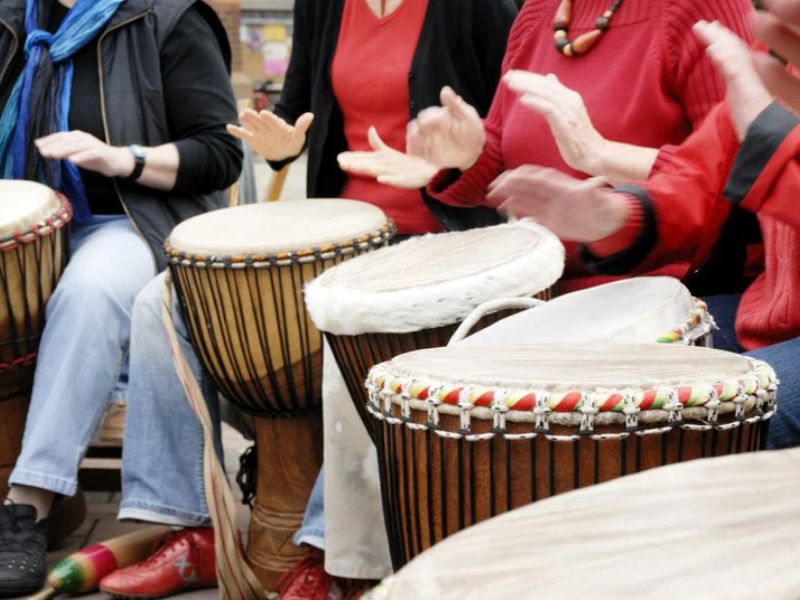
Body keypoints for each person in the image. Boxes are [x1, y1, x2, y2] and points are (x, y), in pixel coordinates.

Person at [125, 0, 518, 599]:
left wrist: (457, 156)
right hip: (340, 233)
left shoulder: (477, 6)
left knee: (352, 326)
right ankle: (190, 527)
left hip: (439, 239)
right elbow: (297, 116)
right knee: (163, 301)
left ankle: (325, 551)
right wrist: (280, 144)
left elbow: (510, 132)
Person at [0, 0, 242, 597]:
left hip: (127, 221)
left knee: (90, 291)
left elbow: (220, 152)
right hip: (23, 229)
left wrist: (121, 158)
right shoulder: (11, 18)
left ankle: (25, 507)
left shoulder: (166, 18)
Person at [483, 20, 800, 450]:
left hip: (770, 317)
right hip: (768, 312)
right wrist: (617, 215)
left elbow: (758, 165)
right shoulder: (780, 43)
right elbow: (703, 174)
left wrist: (772, 153)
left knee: (680, 434)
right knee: (576, 393)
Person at [337, 0, 756, 293]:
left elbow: (741, 174)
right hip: (538, 285)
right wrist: (469, 154)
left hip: (660, 296)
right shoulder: (540, 11)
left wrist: (599, 153)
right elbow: (506, 153)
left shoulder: (701, 7)